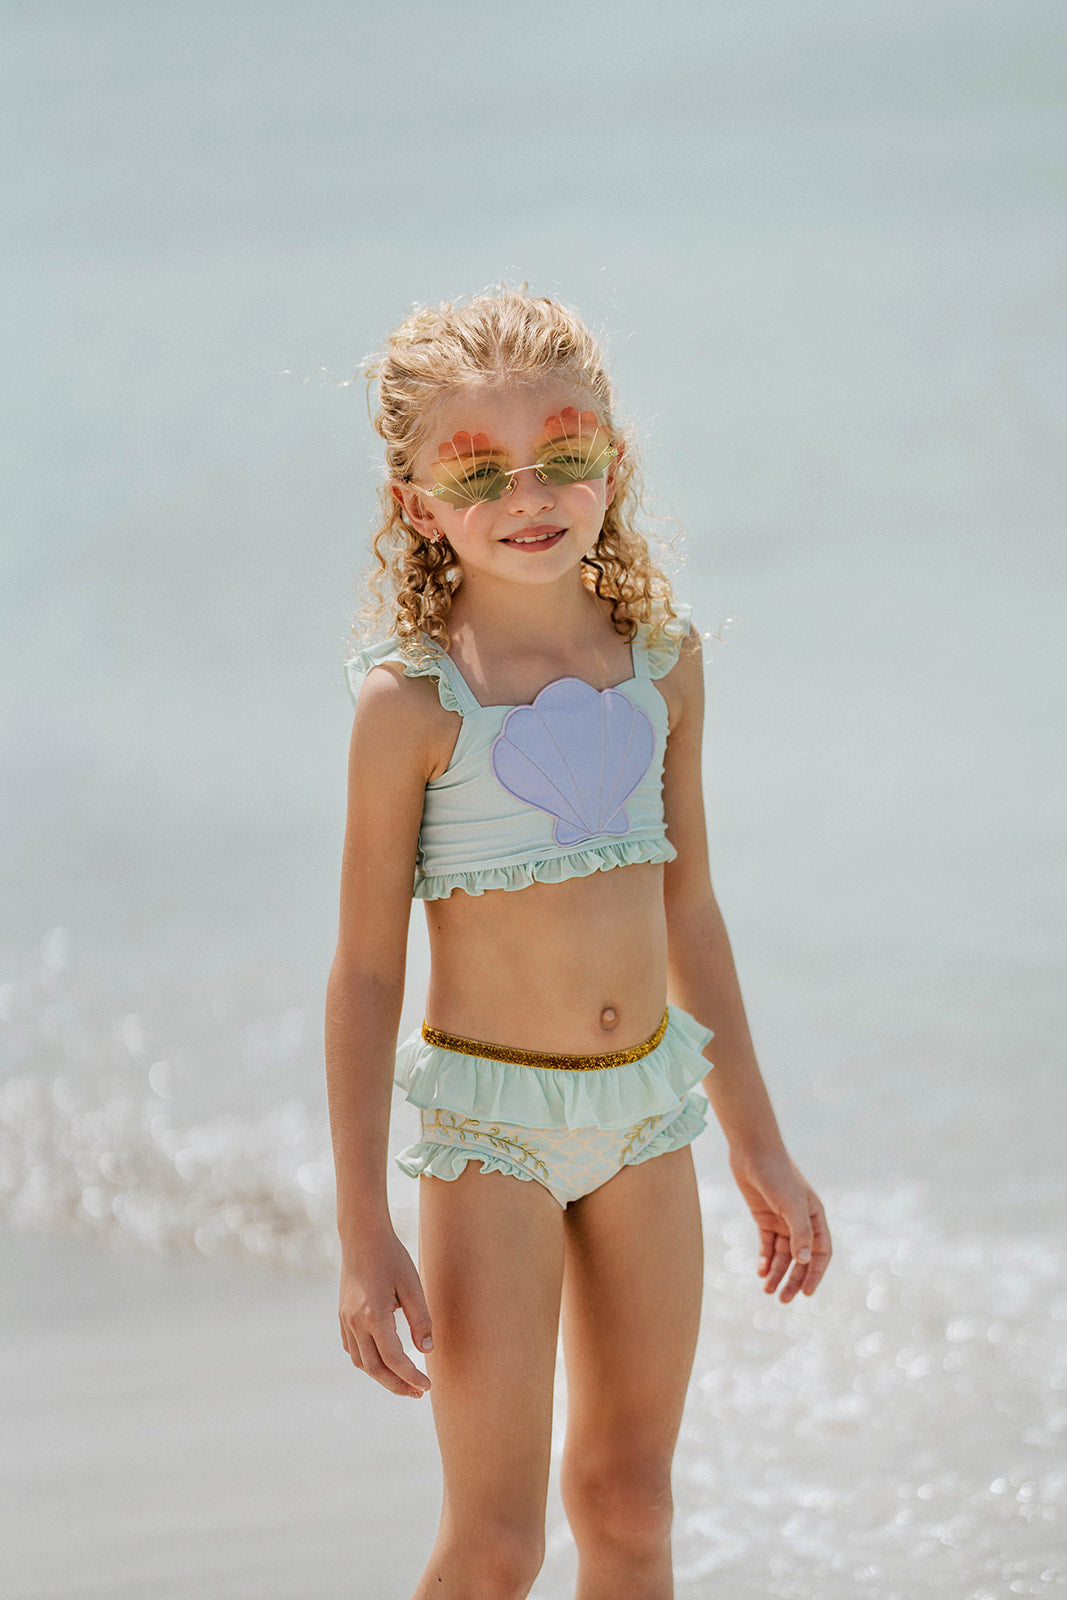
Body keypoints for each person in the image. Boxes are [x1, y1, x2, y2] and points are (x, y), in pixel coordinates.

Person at [324, 287, 831, 1600]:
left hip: (647, 1122)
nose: (531, 494)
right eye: (478, 471)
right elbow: (367, 972)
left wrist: (759, 1142)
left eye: (563, 452)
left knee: (630, 1505)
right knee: (498, 1545)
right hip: (490, 1135)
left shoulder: (662, 666)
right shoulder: (413, 706)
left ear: (613, 457)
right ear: (416, 504)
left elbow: (689, 909)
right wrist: (363, 1229)